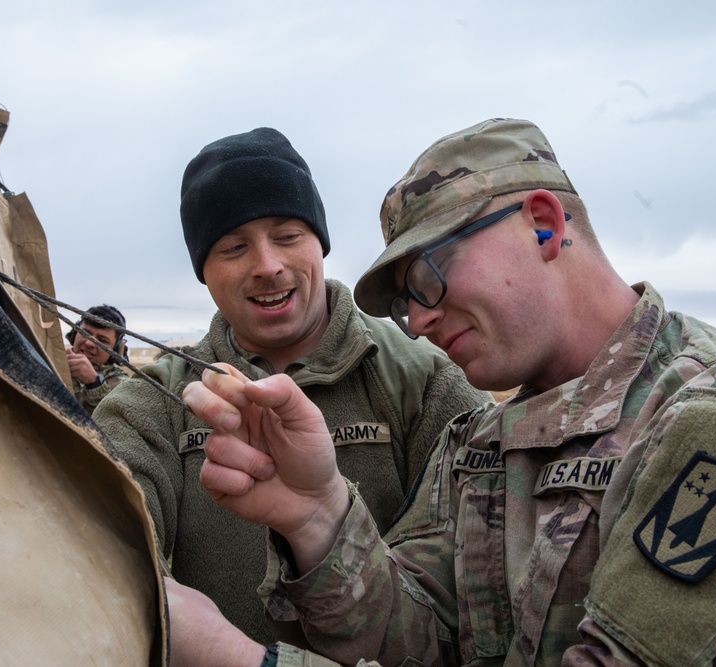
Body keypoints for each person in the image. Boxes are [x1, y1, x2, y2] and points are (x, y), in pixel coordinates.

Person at [171, 118, 716, 666]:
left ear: (541, 224)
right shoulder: (477, 444)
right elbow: (417, 640)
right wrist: (317, 516)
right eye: (402, 301)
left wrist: (239, 659)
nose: (416, 321)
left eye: (425, 278)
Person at [93, 127, 490, 643]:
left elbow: (481, 583)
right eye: (234, 247)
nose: (267, 266)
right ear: (204, 271)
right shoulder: (153, 404)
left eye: (287, 236)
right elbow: (102, 548)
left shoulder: (426, 379)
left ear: (319, 242)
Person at [66, 304, 130, 415]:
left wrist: (94, 384)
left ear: (115, 349)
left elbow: (113, 423)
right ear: (74, 333)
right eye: (85, 333)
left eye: (102, 340)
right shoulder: (51, 361)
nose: (89, 343)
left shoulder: (123, 386)